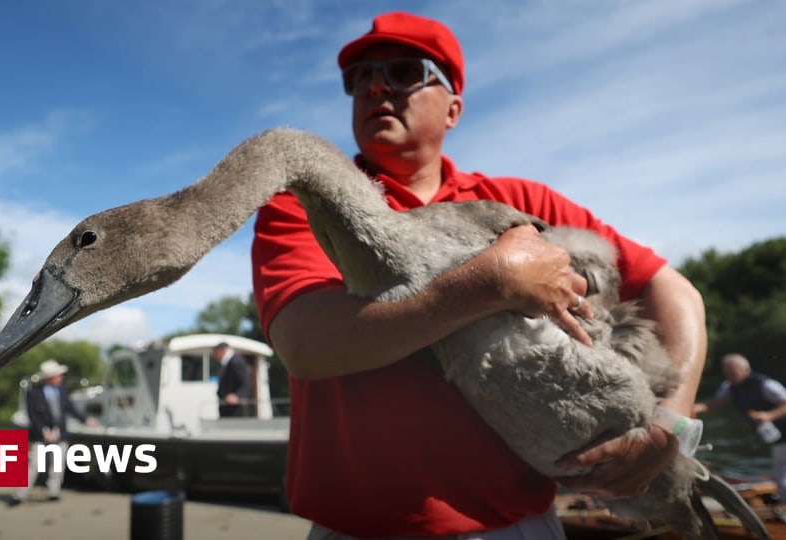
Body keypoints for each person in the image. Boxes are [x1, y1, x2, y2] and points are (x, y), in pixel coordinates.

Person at [251, 11, 707, 539]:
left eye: (403, 72)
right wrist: (491, 284)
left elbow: (672, 290)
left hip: (516, 525)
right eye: (360, 78)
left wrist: (671, 426)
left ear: (453, 108)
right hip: (358, 529)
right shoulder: (307, 206)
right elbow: (306, 345)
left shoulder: (521, 202)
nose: (376, 86)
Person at [694, 353, 786, 503]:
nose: (729, 377)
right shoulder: (729, 386)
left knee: (784, 476)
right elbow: (715, 403)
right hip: (777, 436)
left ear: (745, 370)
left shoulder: (765, 384)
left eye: (732, 373)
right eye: (727, 373)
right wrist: (693, 409)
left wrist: (769, 415)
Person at [9, 359, 98, 506]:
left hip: (59, 432)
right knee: (34, 464)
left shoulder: (62, 391)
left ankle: (53, 492)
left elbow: (70, 408)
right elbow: (32, 415)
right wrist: (43, 431)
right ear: (50, 377)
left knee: (57, 464)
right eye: (58, 375)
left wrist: (86, 419)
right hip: (41, 433)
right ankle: (20, 494)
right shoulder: (34, 393)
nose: (61, 377)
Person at [214, 342, 252, 417]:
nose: (215, 356)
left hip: (235, 410)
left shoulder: (236, 362)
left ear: (221, 351)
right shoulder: (229, 362)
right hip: (228, 408)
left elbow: (245, 382)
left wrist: (238, 396)